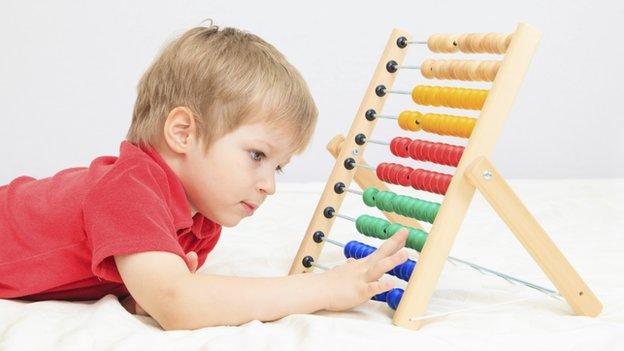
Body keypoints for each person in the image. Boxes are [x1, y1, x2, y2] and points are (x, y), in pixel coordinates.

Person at [0, 23, 409, 330]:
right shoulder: (129, 191)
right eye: (257, 155)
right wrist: (323, 290)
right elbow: (180, 304)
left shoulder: (203, 221)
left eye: (278, 166)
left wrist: (143, 296)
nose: (270, 185)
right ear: (183, 132)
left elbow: (163, 296)